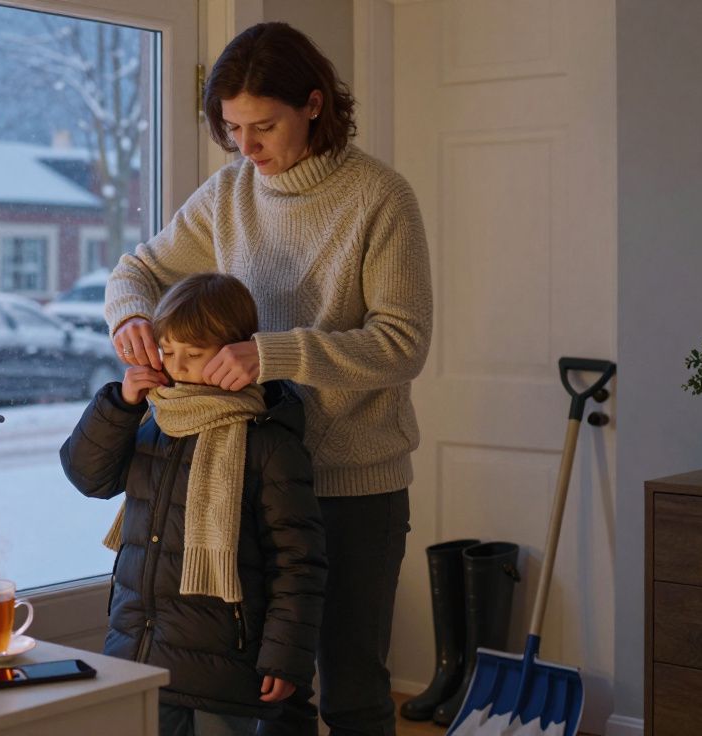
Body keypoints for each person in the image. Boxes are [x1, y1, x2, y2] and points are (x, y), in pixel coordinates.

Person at [105, 22, 432, 736]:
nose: (245, 148)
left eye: (263, 127)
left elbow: (402, 344)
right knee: (265, 694)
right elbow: (138, 270)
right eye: (231, 128)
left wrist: (273, 355)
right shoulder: (228, 193)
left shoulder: (381, 197)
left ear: (314, 105)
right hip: (245, 481)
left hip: (353, 485)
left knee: (352, 693)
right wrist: (129, 317)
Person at [60, 273, 326, 736]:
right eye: (168, 351)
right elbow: (89, 478)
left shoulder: (268, 444)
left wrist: (285, 657)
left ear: (234, 350)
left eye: (194, 354)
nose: (177, 366)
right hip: (140, 648)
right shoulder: (153, 422)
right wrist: (120, 405)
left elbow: (297, 562)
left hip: (222, 664)